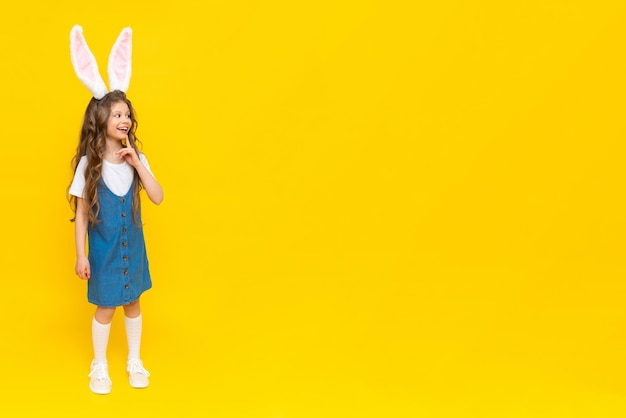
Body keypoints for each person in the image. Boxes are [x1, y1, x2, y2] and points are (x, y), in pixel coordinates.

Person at [68, 25, 163, 394]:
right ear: (101, 122)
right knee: (106, 309)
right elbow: (80, 215)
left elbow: (157, 196)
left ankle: (135, 360)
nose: (124, 120)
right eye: (116, 115)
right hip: (103, 255)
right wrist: (81, 255)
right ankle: (99, 365)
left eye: (127, 114)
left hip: (134, 252)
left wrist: (138, 164)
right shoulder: (89, 165)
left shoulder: (136, 160)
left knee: (134, 304)